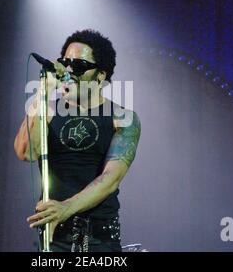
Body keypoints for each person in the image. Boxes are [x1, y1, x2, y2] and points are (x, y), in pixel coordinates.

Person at [14, 29, 141, 252]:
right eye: (66, 63)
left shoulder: (122, 118)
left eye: (79, 65)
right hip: (54, 238)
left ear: (100, 75)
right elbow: (26, 153)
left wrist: (65, 208)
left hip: (98, 239)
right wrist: (42, 94)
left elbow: (111, 178)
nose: (69, 72)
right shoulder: (48, 110)